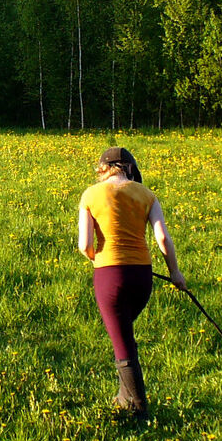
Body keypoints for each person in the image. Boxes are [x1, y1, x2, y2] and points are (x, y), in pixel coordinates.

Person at [77, 146, 187, 415]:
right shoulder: (147, 194)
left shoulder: (91, 194)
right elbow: (162, 238)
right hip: (142, 276)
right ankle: (124, 396)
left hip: (109, 275)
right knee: (124, 335)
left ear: (104, 169)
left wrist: (98, 262)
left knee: (122, 341)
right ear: (129, 167)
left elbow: (84, 244)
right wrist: (175, 273)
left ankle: (138, 409)